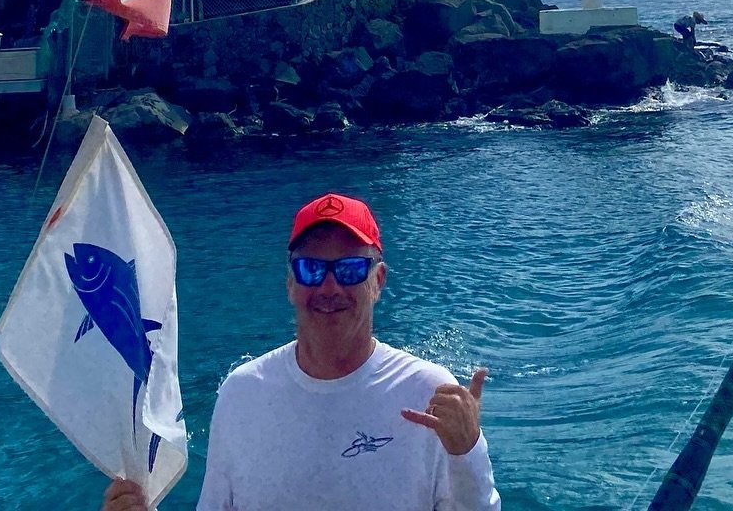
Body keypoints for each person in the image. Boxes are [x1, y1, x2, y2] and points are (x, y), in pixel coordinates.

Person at [100, 191, 499, 510]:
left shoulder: (430, 393)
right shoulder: (241, 392)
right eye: (311, 269)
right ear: (291, 283)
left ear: (377, 281)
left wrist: (467, 451)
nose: (329, 287)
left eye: (349, 270)